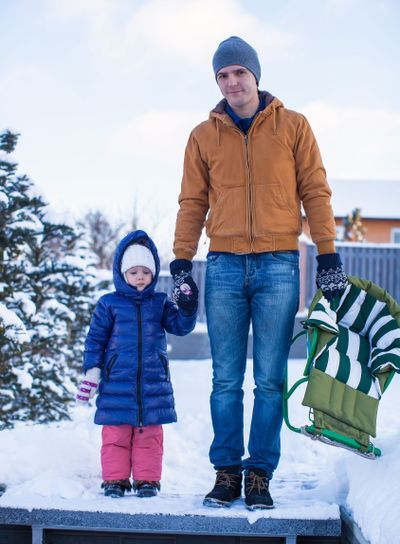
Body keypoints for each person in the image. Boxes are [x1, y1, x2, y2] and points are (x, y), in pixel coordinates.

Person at [170, 36, 347, 510]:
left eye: (238, 73)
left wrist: (327, 254)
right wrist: (182, 262)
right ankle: (227, 471)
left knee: (269, 379)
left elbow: (316, 190)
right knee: (225, 379)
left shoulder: (293, 126)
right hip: (224, 266)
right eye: (222, 76)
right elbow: (192, 202)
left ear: (255, 76)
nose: (231, 82)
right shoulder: (202, 136)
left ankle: (260, 474)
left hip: (278, 265)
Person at [77, 229, 198, 498]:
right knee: (115, 436)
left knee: (149, 437)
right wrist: (92, 373)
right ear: (122, 273)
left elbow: (180, 327)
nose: (140, 276)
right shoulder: (108, 304)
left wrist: (188, 309)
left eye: (145, 271)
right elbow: (95, 340)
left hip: (152, 385)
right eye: (134, 272)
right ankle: (115, 480)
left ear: (153, 273)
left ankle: (147, 481)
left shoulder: (160, 302)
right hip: (116, 384)